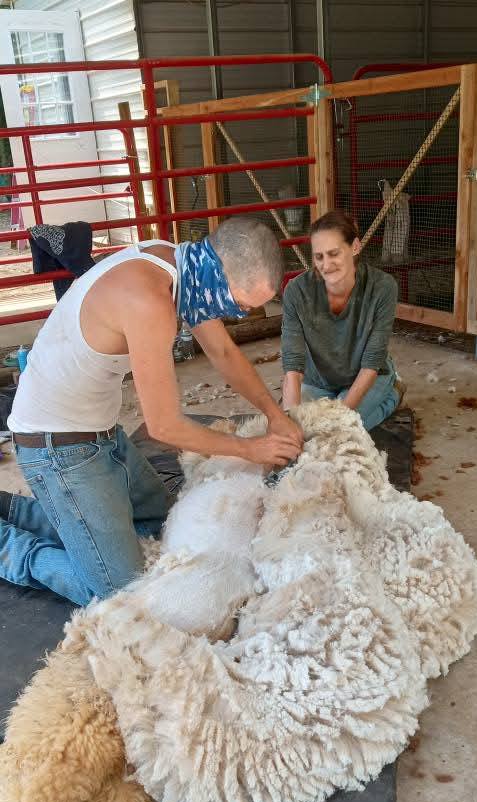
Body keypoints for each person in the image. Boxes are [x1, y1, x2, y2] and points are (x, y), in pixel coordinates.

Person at [0, 217, 303, 606]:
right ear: (217, 273)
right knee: (121, 596)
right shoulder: (149, 301)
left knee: (163, 528)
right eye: (240, 304)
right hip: (54, 448)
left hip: (101, 433)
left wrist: (274, 415)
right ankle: (9, 546)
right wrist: (252, 449)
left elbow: (223, 352)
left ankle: (20, 510)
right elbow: (164, 426)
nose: (240, 315)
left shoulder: (185, 268)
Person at [281, 209, 402, 429]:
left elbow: (372, 363)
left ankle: (393, 395)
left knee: (341, 428)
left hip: (367, 376)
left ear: (355, 247)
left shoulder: (382, 287)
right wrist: (290, 419)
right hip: (318, 381)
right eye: (319, 257)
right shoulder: (296, 291)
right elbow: (293, 364)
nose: (326, 265)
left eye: (334, 253)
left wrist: (339, 418)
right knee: (299, 426)